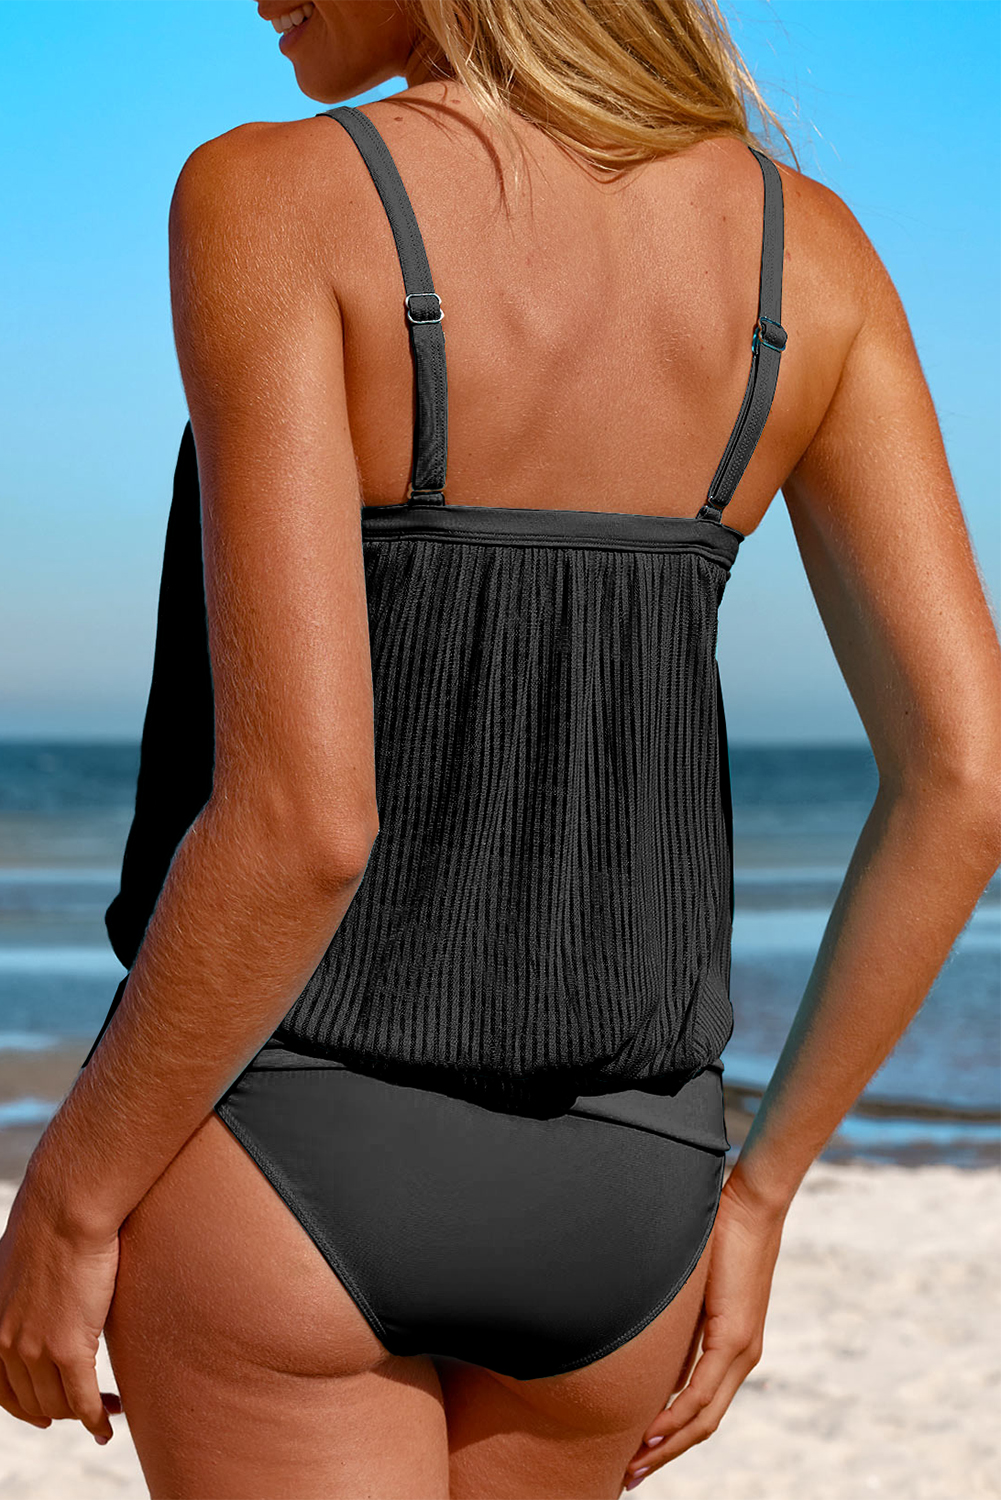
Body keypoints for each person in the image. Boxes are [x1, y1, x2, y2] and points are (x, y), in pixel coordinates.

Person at [2, 2, 998, 1497]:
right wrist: (763, 1189)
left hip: (289, 1141)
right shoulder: (813, 252)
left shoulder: (272, 194)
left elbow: (304, 823)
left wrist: (71, 1198)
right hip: (633, 1188)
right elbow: (967, 779)